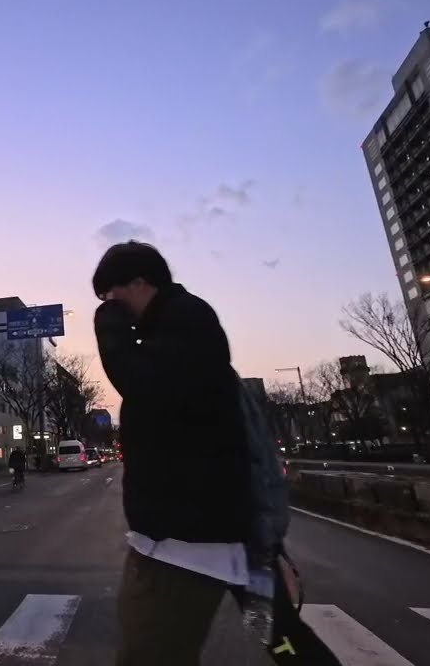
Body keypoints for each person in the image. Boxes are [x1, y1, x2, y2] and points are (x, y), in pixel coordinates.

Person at [92, 240, 252, 665]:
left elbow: (143, 385)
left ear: (141, 283)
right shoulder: (177, 329)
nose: (110, 305)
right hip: (189, 536)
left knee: (147, 653)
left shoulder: (185, 322)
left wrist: (107, 325)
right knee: (284, 641)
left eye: (112, 294)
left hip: (183, 543)